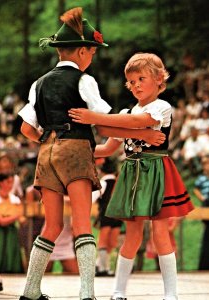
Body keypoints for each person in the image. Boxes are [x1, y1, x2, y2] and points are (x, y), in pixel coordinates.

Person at [18, 8, 165, 300]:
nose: (93, 57)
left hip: (47, 153)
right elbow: (106, 121)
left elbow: (25, 128)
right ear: (84, 51)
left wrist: (48, 141)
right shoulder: (84, 81)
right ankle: (87, 292)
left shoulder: (39, 83)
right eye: (93, 52)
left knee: (52, 224)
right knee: (83, 223)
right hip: (75, 154)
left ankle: (30, 290)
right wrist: (141, 134)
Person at [69, 52, 194, 300]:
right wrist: (76, 148)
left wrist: (96, 119)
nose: (136, 85)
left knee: (160, 232)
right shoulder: (126, 110)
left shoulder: (161, 107)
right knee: (132, 235)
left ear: (159, 79)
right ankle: (118, 291)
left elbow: (139, 122)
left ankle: (171, 293)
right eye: (132, 81)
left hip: (156, 171)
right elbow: (107, 147)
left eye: (141, 78)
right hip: (132, 173)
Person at [92, 157, 123, 276]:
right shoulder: (119, 183)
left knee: (103, 241)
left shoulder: (103, 182)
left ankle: (102, 267)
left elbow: (92, 199)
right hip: (118, 216)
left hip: (106, 215)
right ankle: (105, 266)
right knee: (112, 242)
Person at [0, 173, 24, 273]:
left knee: (11, 255)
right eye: (8, 182)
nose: (10, 185)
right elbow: (1, 221)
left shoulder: (15, 199)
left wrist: (19, 217)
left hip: (12, 232)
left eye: (12, 182)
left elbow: (22, 220)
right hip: (0, 233)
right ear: (0, 183)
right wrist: (16, 216)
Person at [193, 156, 209, 270]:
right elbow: (195, 189)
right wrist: (202, 198)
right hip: (206, 203)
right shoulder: (201, 178)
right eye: (204, 164)